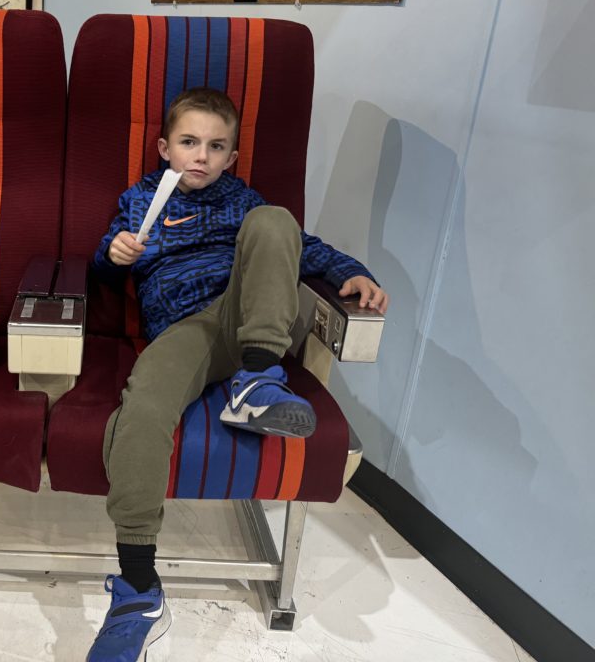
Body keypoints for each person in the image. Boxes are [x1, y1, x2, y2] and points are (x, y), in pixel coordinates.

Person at [86, 88, 388, 661]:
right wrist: (115, 254)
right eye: (188, 143)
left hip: (246, 312)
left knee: (276, 222)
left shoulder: (245, 200)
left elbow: (304, 247)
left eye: (215, 146)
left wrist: (351, 271)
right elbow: (103, 267)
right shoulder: (140, 198)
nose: (200, 156)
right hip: (184, 331)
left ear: (231, 157)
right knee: (143, 410)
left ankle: (256, 378)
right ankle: (137, 591)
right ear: (164, 147)